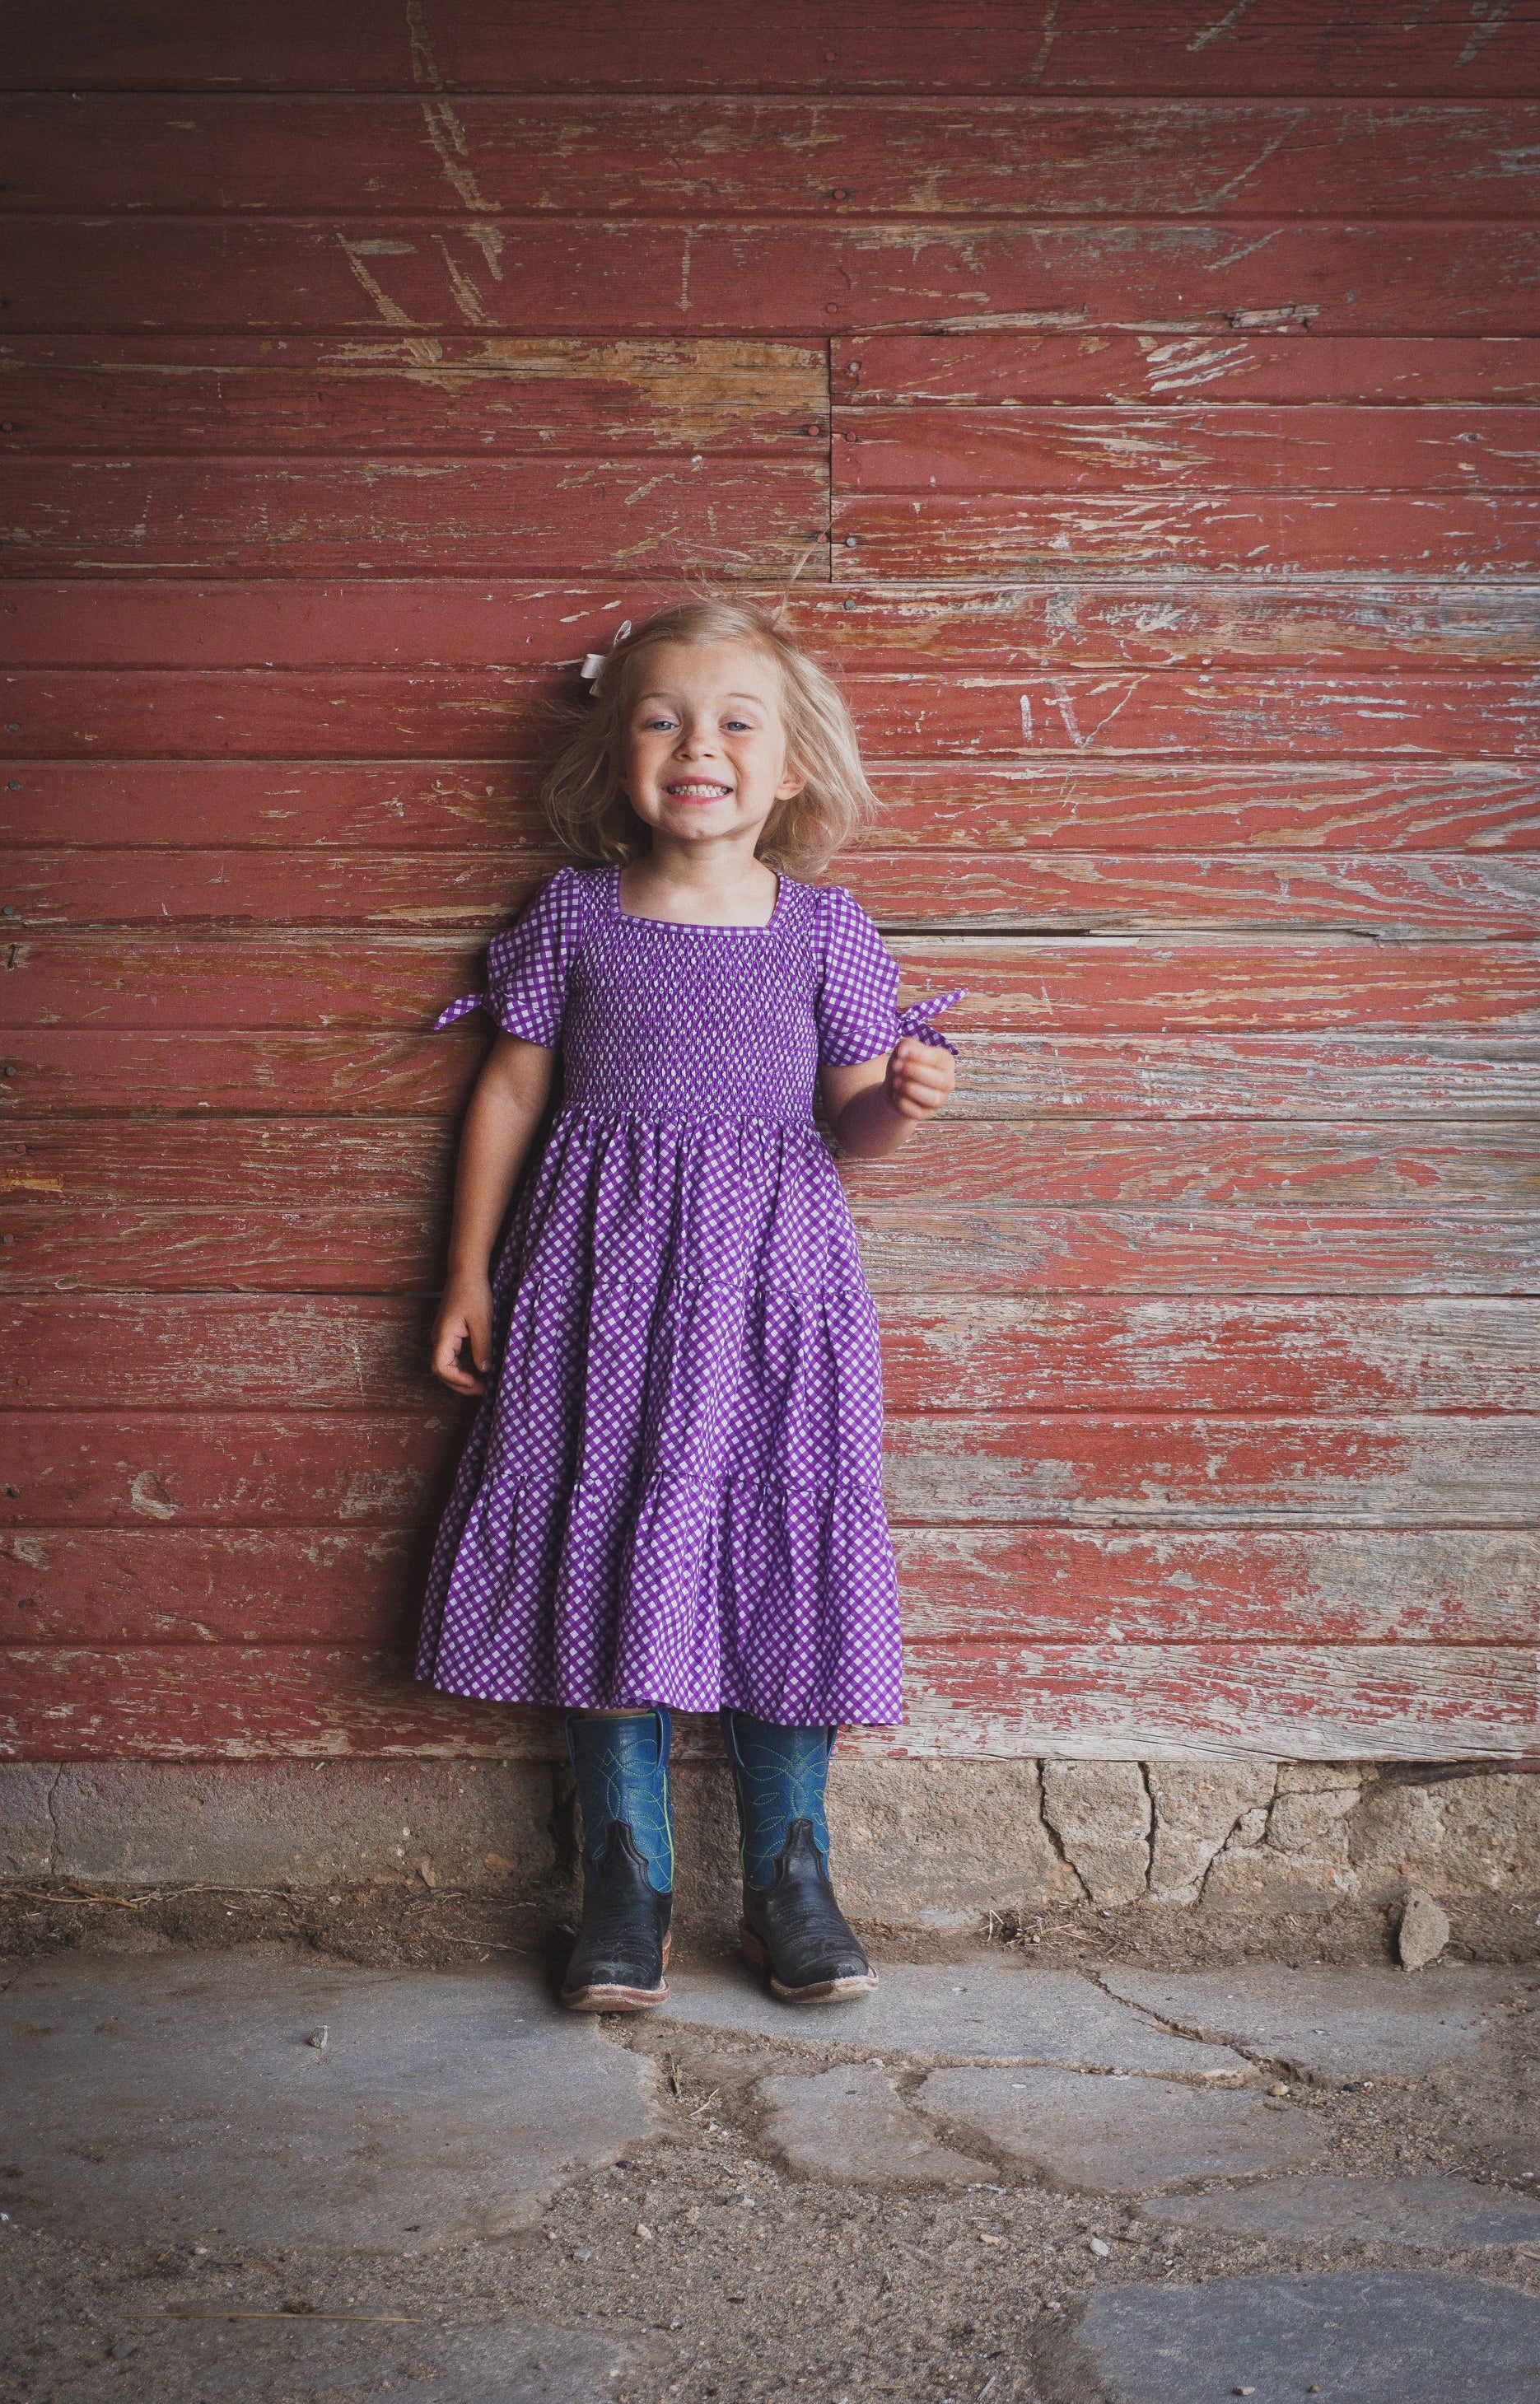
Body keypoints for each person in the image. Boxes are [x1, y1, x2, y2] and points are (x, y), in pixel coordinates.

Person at [418, 596, 962, 2015]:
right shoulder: (573, 915)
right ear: (614, 759)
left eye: (734, 722)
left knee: (784, 1541)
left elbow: (847, 1119)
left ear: (791, 769)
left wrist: (895, 1104)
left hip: (778, 1293)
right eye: (658, 719)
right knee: (611, 1541)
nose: (695, 746)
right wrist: (467, 1274)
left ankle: (792, 1876)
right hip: (598, 1284)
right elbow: (512, 1089)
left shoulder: (825, 930)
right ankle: (625, 1880)